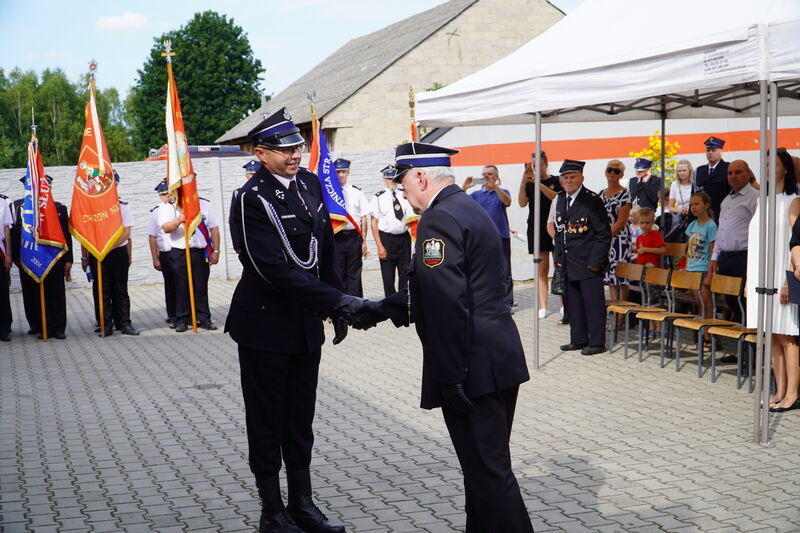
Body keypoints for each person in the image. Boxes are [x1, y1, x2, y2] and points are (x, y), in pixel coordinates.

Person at [363, 141, 533, 533]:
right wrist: (381, 309)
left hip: (471, 366)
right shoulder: (468, 208)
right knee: (480, 475)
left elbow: (447, 303)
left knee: (490, 477)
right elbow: (453, 289)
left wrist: (449, 374)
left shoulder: (439, 220)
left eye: (403, 181)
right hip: (497, 360)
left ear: (421, 176)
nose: (401, 190)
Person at [225, 107, 365, 533]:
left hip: (305, 324)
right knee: (268, 418)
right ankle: (272, 510)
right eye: (284, 150)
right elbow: (273, 269)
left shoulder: (309, 184)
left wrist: (333, 304)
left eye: (297, 147)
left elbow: (324, 248)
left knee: (300, 419)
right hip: (266, 325)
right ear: (260, 153)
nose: (294, 155)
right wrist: (337, 302)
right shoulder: (251, 198)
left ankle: (302, 503)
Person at [747, 148, 799, 412]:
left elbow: (796, 243)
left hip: (782, 276)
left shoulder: (794, 201)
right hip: (761, 276)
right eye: (765, 164)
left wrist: (789, 278)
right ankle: (779, 390)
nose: (768, 168)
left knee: (788, 335)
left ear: (786, 169)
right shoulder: (761, 201)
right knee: (772, 336)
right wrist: (749, 279)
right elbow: (755, 243)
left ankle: (792, 394)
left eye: (774, 164)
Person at [553, 160, 612, 356]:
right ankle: (578, 339)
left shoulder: (591, 200)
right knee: (574, 303)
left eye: (572, 177)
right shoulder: (561, 199)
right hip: (569, 262)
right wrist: (559, 257)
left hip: (588, 262)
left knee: (593, 304)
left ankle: (596, 342)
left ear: (581, 178)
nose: (569, 181)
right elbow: (560, 231)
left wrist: (595, 263)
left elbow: (603, 234)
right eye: (566, 178)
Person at [11, 175, 74, 339]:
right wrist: (16, 259)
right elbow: (13, 235)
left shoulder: (59, 209)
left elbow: (66, 236)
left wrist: (68, 259)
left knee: (56, 293)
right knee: (32, 295)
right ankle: (38, 325)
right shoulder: (18, 207)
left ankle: (58, 327)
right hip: (27, 258)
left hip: (54, 258)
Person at [84, 171, 139, 337]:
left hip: (117, 252)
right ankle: (105, 325)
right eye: (108, 184)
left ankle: (125, 323)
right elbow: (87, 231)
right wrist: (87, 255)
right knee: (103, 290)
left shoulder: (123, 206)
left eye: (114, 184)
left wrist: (109, 247)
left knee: (121, 290)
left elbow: (126, 232)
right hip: (98, 253)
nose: (111, 187)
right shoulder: (93, 207)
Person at [157, 189, 219, 333]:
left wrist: (216, 250)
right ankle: (182, 320)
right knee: (180, 287)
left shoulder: (204, 205)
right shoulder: (169, 207)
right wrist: (179, 220)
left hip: (198, 251)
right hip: (179, 251)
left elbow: (214, 228)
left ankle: (203, 318)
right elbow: (166, 228)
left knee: (201, 286)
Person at [709, 160, 758, 324]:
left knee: (744, 301)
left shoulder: (755, 198)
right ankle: (740, 342)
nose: (733, 176)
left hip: (743, 258)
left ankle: (748, 346)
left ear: (748, 173)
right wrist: (714, 257)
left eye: (738, 172)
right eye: (730, 173)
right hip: (725, 257)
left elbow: (759, 231)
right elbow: (721, 231)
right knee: (730, 300)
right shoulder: (727, 200)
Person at [462, 164, 514, 309]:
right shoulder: (476, 195)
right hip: (482, 239)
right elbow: (459, 203)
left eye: (490, 174)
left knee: (504, 271)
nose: (486, 176)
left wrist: (495, 187)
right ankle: (487, 301)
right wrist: (464, 188)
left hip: (501, 236)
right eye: (484, 174)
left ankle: (507, 302)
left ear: (497, 176)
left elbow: (507, 202)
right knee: (483, 270)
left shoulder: (503, 191)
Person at [519, 151, 562, 318]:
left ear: (546, 164)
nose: (537, 168)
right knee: (542, 269)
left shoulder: (556, 180)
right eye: (534, 166)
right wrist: (524, 183)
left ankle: (563, 305)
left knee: (559, 266)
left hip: (554, 227)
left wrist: (539, 184)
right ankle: (543, 306)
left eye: (540, 165)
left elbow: (557, 198)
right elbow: (522, 203)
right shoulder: (529, 183)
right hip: (536, 227)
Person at [370, 165, 412, 297]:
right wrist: (379, 246)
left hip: (403, 238)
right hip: (386, 239)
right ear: (384, 179)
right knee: (388, 277)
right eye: (388, 178)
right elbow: (374, 223)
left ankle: (404, 305)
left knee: (405, 274)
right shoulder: (378, 197)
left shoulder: (404, 194)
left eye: (394, 178)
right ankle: (391, 306)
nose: (391, 181)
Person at [685, 193, 718, 348]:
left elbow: (713, 250)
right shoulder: (692, 226)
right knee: (699, 303)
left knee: (706, 303)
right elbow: (688, 249)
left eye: (697, 204)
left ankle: (709, 337)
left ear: (706, 205)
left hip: (703, 269)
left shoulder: (711, 225)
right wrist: (686, 267)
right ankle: (702, 335)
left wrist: (711, 274)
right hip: (692, 268)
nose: (693, 207)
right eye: (691, 205)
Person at [333, 158, 369, 297]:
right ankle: (342, 304)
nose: (341, 175)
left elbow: (364, 217)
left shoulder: (356, 192)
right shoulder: (330, 194)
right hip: (337, 236)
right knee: (339, 271)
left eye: (344, 171)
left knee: (354, 273)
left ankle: (356, 304)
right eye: (338, 172)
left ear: (348, 172)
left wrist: (364, 240)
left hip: (354, 236)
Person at [600, 159, 632, 310]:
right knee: (611, 279)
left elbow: (621, 222)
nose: (612, 173)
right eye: (610, 170)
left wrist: (605, 236)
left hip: (619, 240)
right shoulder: (601, 194)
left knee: (621, 277)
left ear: (621, 175)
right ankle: (615, 310)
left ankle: (622, 312)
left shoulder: (624, 194)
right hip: (605, 240)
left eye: (616, 171)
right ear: (605, 172)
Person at [148, 179, 177, 327]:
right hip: (166, 253)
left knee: (182, 284)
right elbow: (152, 236)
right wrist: (155, 258)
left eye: (169, 193)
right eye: (163, 194)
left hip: (180, 251)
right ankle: (172, 314)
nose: (167, 196)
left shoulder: (178, 208)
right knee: (170, 284)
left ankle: (186, 312)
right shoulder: (156, 212)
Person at [694, 136, 730, 223]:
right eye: (708, 150)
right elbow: (694, 195)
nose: (710, 153)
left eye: (713, 150)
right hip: (703, 216)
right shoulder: (699, 171)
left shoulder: (728, 168)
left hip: (722, 215)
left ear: (721, 151)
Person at [667, 159, 694, 237]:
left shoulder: (694, 184)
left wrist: (690, 210)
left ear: (689, 171)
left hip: (693, 216)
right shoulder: (674, 184)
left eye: (684, 170)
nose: (681, 173)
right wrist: (680, 210)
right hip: (679, 218)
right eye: (679, 171)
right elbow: (671, 207)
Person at [0, 192, 11, 341]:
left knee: (2, 292)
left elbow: (6, 229)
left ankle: (4, 328)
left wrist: (9, 253)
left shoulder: (3, 202)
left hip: (0, 253)